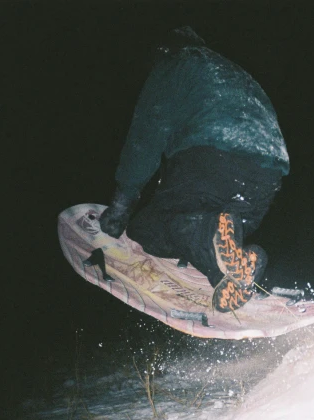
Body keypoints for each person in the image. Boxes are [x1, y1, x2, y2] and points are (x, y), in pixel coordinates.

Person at [99, 26, 290, 313]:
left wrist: (120, 206)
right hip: (267, 175)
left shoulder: (177, 63)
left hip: (215, 155)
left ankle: (211, 232)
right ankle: (228, 272)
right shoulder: (231, 72)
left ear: (163, 50)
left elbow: (147, 135)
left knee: (148, 228)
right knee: (214, 233)